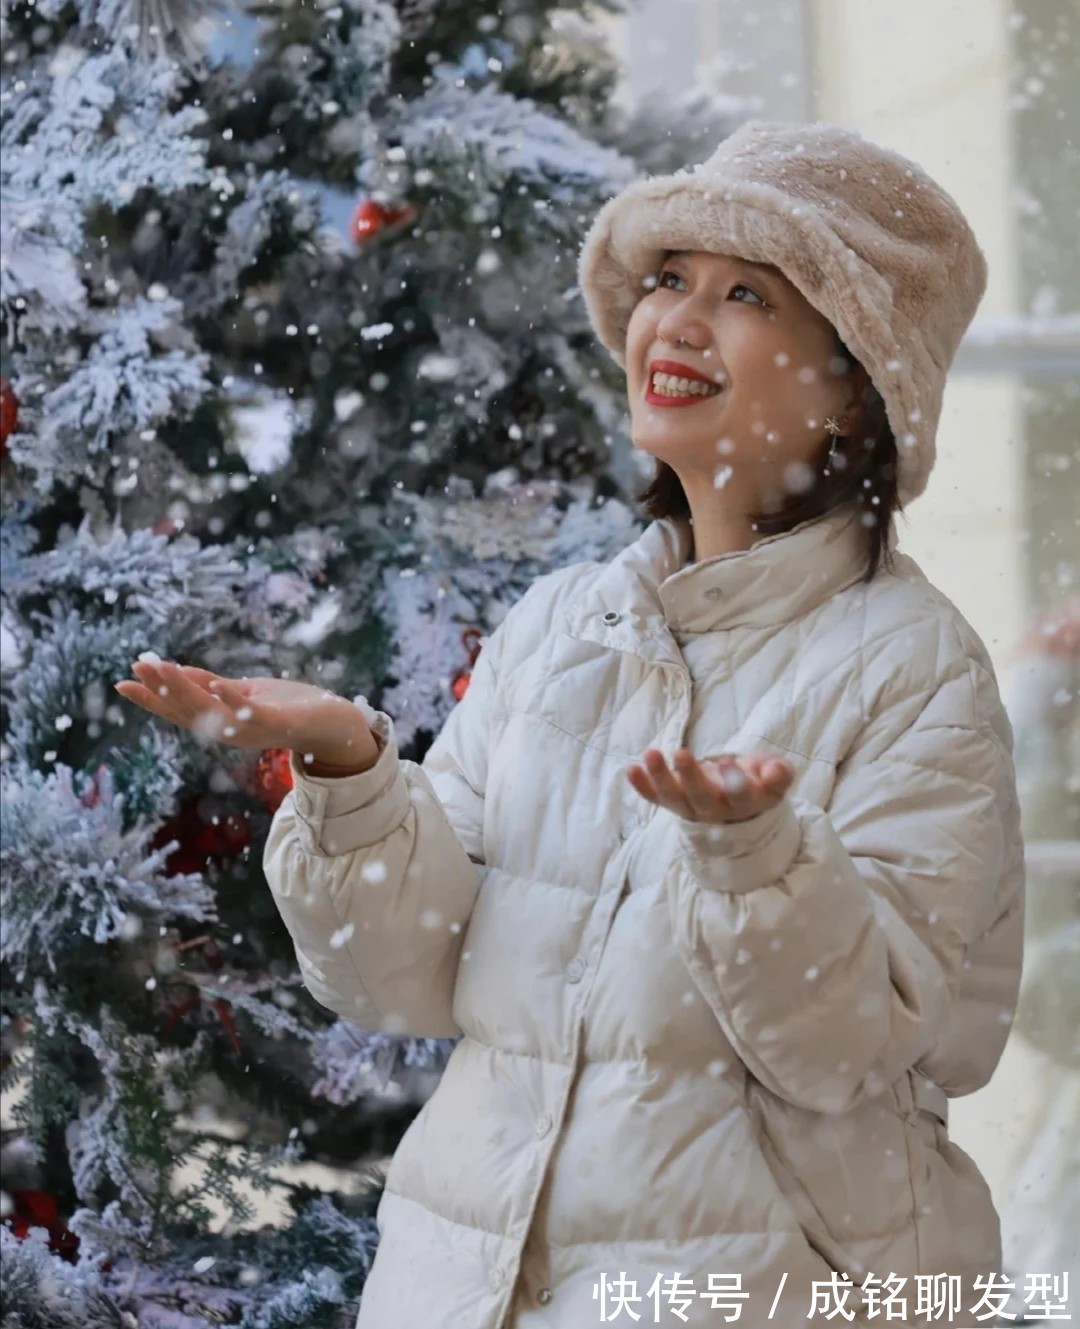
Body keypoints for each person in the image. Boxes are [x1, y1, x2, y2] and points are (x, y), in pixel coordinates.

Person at [117, 121, 1026, 1329]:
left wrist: (759, 858)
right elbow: (406, 977)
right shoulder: (563, 630)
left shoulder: (915, 670)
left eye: (746, 292)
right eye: (668, 280)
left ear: (854, 376)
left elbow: (848, 1047)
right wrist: (350, 771)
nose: (678, 322)